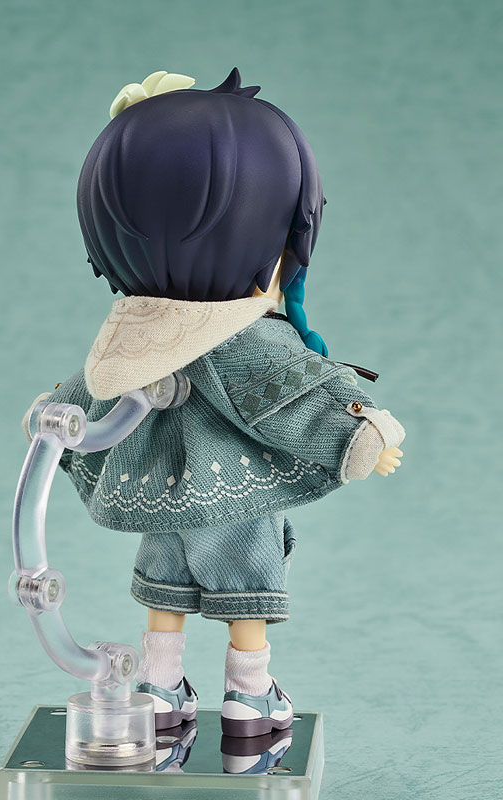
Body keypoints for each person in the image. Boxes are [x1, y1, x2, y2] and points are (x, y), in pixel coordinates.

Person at [22, 68, 405, 736]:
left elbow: (95, 387)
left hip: (160, 496)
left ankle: (160, 687)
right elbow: (291, 393)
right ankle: (248, 695)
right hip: (233, 499)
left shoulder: (134, 330)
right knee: (245, 594)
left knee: (164, 593)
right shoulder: (241, 336)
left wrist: (52, 416)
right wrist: (359, 435)